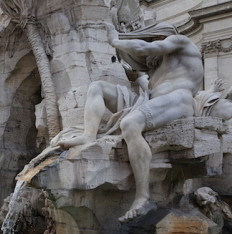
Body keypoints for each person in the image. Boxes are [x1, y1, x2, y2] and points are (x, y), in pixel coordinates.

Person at [58, 22, 204, 222]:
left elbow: (145, 49)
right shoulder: (157, 69)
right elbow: (144, 78)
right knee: (97, 87)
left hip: (179, 100)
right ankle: (88, 135)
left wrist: (115, 41)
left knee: (130, 123)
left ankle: (142, 197)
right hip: (151, 101)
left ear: (158, 37)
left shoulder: (180, 41)